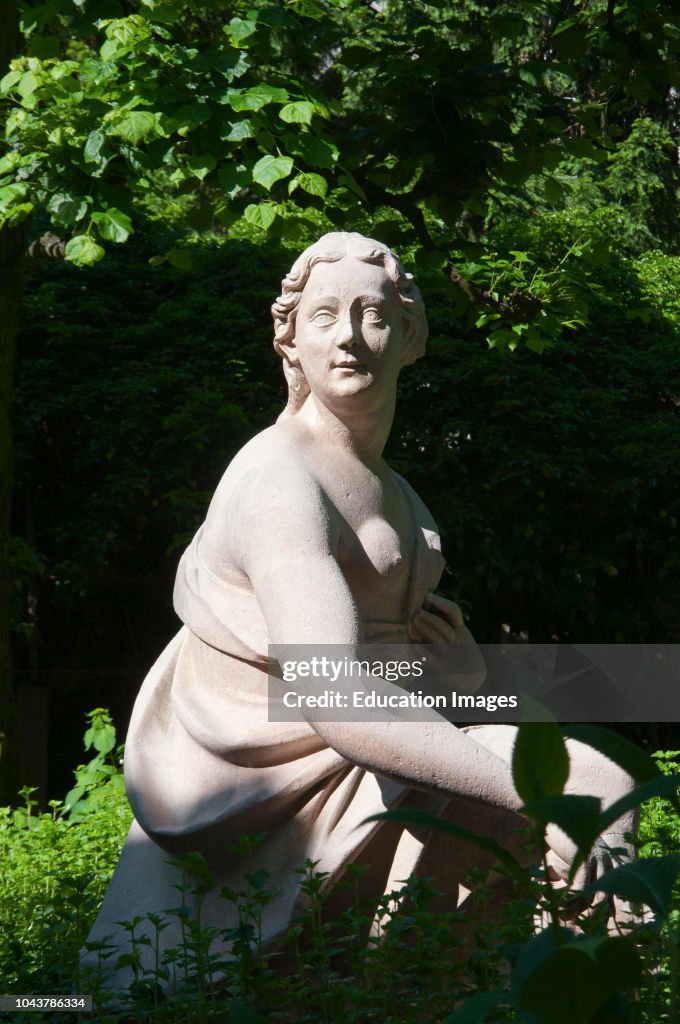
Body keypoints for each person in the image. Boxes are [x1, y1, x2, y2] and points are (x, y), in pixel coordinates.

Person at [84, 233, 636, 984]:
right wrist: (524, 786)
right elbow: (335, 696)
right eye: (323, 316)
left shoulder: (393, 490)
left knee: (595, 791)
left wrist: (465, 680)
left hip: (367, 747)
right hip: (290, 766)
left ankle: (560, 989)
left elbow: (386, 674)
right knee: (590, 791)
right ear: (291, 340)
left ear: (410, 338)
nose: (349, 336)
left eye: (374, 316)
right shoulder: (281, 482)